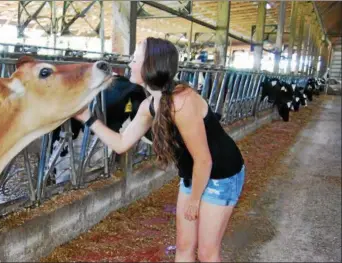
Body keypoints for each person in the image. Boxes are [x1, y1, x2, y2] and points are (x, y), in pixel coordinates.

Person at [74, 37, 245, 262]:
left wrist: (194, 200)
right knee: (184, 246)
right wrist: (86, 117)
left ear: (151, 65)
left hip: (221, 174)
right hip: (193, 176)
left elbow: (204, 160)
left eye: (135, 59)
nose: (130, 64)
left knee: (207, 253)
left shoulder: (181, 102)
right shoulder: (150, 105)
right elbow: (121, 143)